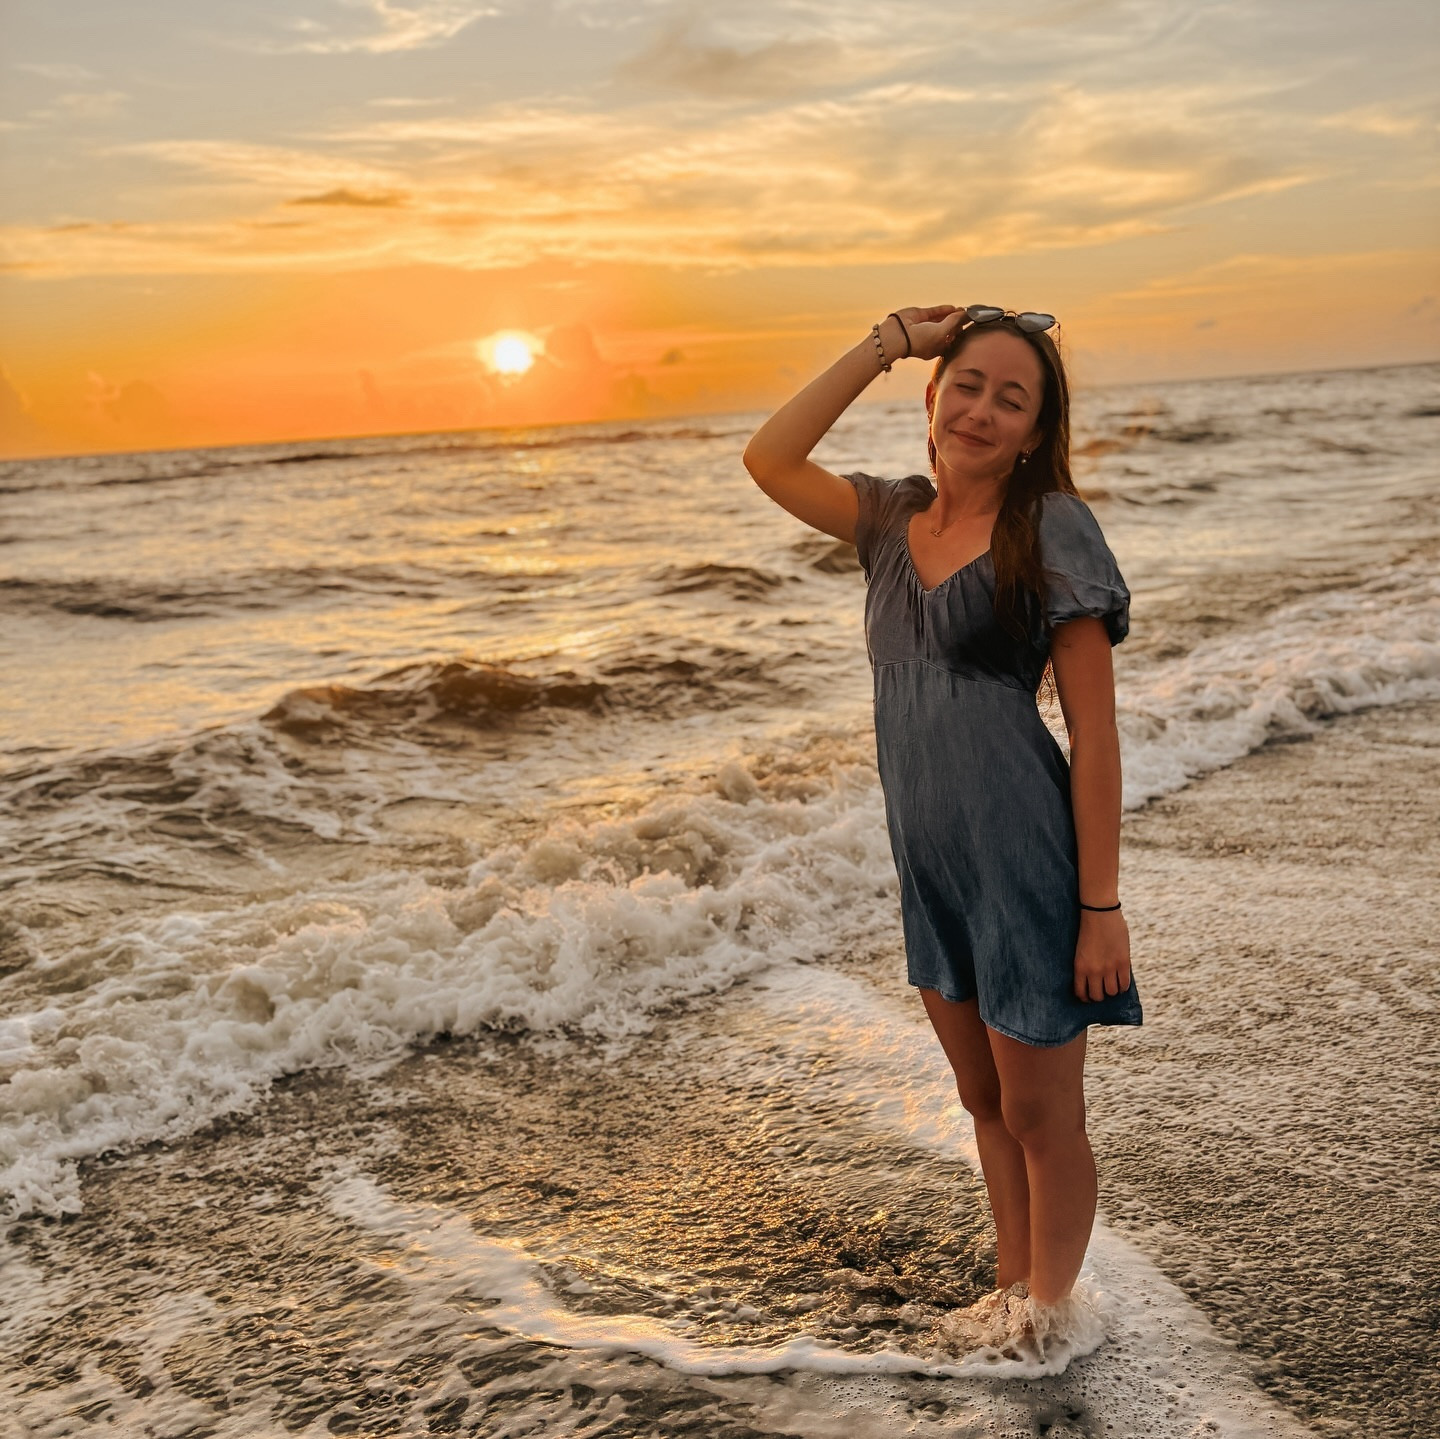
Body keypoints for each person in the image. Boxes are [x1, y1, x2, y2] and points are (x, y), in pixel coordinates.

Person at [741, 304, 1143, 1347]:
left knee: (1046, 1115)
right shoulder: (884, 520)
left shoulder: (1052, 527)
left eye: (1013, 398)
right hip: (929, 863)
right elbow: (768, 454)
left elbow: (1094, 737)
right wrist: (885, 340)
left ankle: (1048, 1325)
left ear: (1033, 428)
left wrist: (1102, 907)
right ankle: (1014, 1295)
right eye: (966, 383)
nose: (981, 409)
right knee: (982, 1098)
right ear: (931, 395)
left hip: (1026, 860)